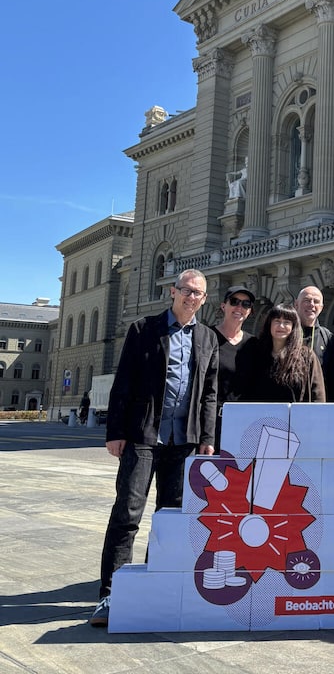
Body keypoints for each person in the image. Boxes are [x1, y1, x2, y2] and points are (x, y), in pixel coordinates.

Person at [89, 269, 218, 628]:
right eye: (186, 290)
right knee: (127, 514)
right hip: (143, 436)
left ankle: (154, 586)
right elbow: (124, 381)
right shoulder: (144, 329)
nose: (191, 297)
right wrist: (115, 431)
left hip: (184, 441)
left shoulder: (207, 337)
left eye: (198, 293)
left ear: (204, 299)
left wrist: (207, 437)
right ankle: (110, 594)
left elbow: (209, 393)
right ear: (173, 292)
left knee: (169, 519)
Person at [243, 305, 325, 402]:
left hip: (294, 411)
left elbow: (318, 395)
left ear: (293, 327)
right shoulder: (256, 352)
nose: (281, 326)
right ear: (269, 324)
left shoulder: (306, 356)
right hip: (261, 411)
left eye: (287, 322)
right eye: (277, 321)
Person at [213, 284, 255, 451]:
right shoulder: (207, 337)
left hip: (244, 425)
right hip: (211, 423)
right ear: (224, 306)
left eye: (246, 304)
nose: (239, 307)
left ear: (249, 311)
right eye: (234, 302)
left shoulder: (253, 344)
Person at [294, 285, 334, 399]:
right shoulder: (287, 333)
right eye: (307, 300)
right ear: (296, 304)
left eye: (316, 301)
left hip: (318, 402)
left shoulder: (328, 338)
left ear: (321, 307)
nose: (312, 305)